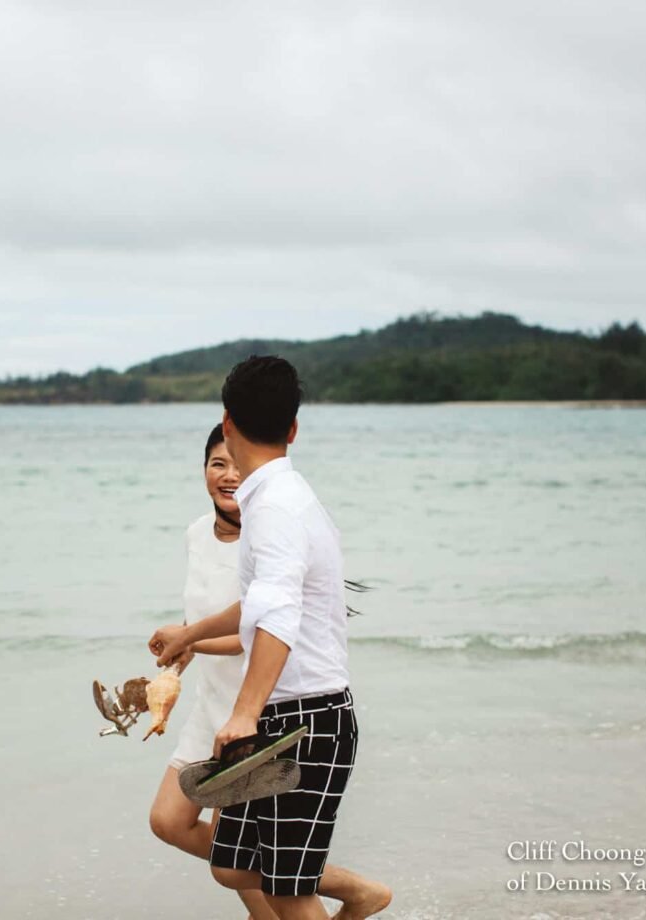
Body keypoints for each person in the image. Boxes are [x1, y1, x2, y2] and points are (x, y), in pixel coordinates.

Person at [150, 356, 392, 920]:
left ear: (227, 423)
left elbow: (277, 614)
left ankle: (356, 899)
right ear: (293, 429)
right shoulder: (275, 498)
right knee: (233, 866)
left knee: (286, 890)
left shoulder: (277, 509)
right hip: (286, 717)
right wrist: (192, 632)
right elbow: (261, 600)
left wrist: (244, 713)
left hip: (306, 720)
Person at [147, 423, 278, 920]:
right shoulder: (197, 532)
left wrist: (193, 637)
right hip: (210, 703)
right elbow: (200, 613)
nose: (228, 475)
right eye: (217, 464)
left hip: (255, 708)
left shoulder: (267, 540)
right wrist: (183, 648)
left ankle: (334, 892)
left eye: (239, 465)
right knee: (169, 821)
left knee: (230, 854)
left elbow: (258, 631)